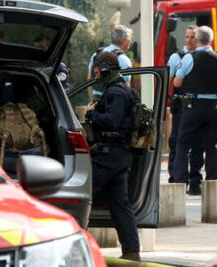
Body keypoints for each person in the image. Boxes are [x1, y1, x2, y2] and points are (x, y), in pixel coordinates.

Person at [84, 51, 140, 261]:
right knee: (120, 205)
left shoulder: (115, 93)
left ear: (106, 69)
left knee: (82, 196)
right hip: (118, 154)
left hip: (109, 155)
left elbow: (111, 121)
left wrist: (91, 113)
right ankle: (132, 252)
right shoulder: (120, 90)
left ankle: (70, 245)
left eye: (97, 69)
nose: (95, 73)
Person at [172, 25, 217, 195]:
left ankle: (180, 182)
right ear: (211, 40)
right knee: (212, 146)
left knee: (183, 144)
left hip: (193, 107)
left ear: (197, 39)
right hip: (213, 107)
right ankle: (212, 181)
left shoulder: (189, 58)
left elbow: (176, 83)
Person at [166, 25, 205, 184]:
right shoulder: (176, 57)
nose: (189, 40)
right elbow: (168, 83)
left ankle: (195, 180)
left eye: (192, 37)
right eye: (187, 37)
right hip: (181, 106)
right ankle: (175, 178)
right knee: (176, 142)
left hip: (199, 106)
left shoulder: (205, 56)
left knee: (198, 143)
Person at [87, 24, 133, 99]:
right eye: (130, 39)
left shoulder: (96, 55)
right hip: (114, 101)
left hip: (96, 99)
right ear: (124, 40)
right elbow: (126, 87)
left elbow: (89, 79)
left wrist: (92, 102)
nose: (130, 41)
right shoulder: (124, 60)